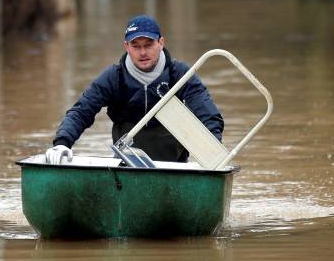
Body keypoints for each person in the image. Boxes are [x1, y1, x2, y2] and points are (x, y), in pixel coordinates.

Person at [44, 14, 224, 164]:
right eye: (136, 46)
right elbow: (81, 111)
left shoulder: (181, 74)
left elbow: (208, 115)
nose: (142, 52)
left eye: (148, 45)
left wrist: (213, 154)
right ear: (126, 47)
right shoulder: (113, 77)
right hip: (127, 165)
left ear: (161, 43)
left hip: (174, 167)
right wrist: (62, 143)